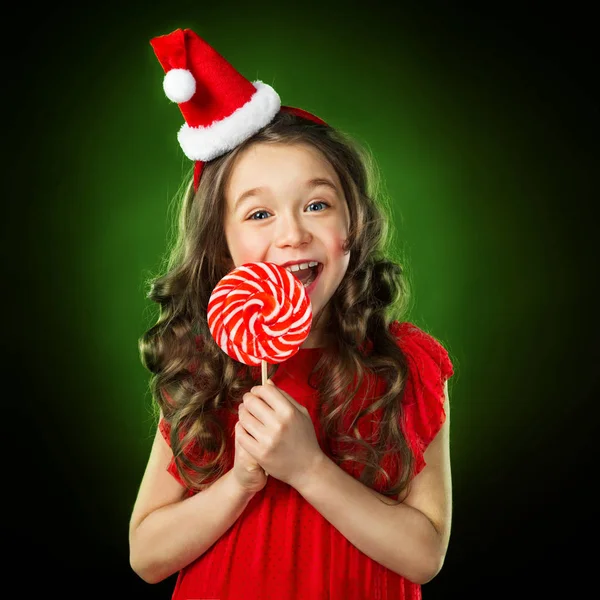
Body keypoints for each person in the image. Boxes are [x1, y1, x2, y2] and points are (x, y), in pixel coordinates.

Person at [129, 27, 455, 600]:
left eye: (316, 204)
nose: (293, 233)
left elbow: (424, 556)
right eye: (259, 215)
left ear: (351, 227)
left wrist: (307, 467)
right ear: (222, 245)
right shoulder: (205, 369)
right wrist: (241, 482)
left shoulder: (406, 365)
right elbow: (147, 557)